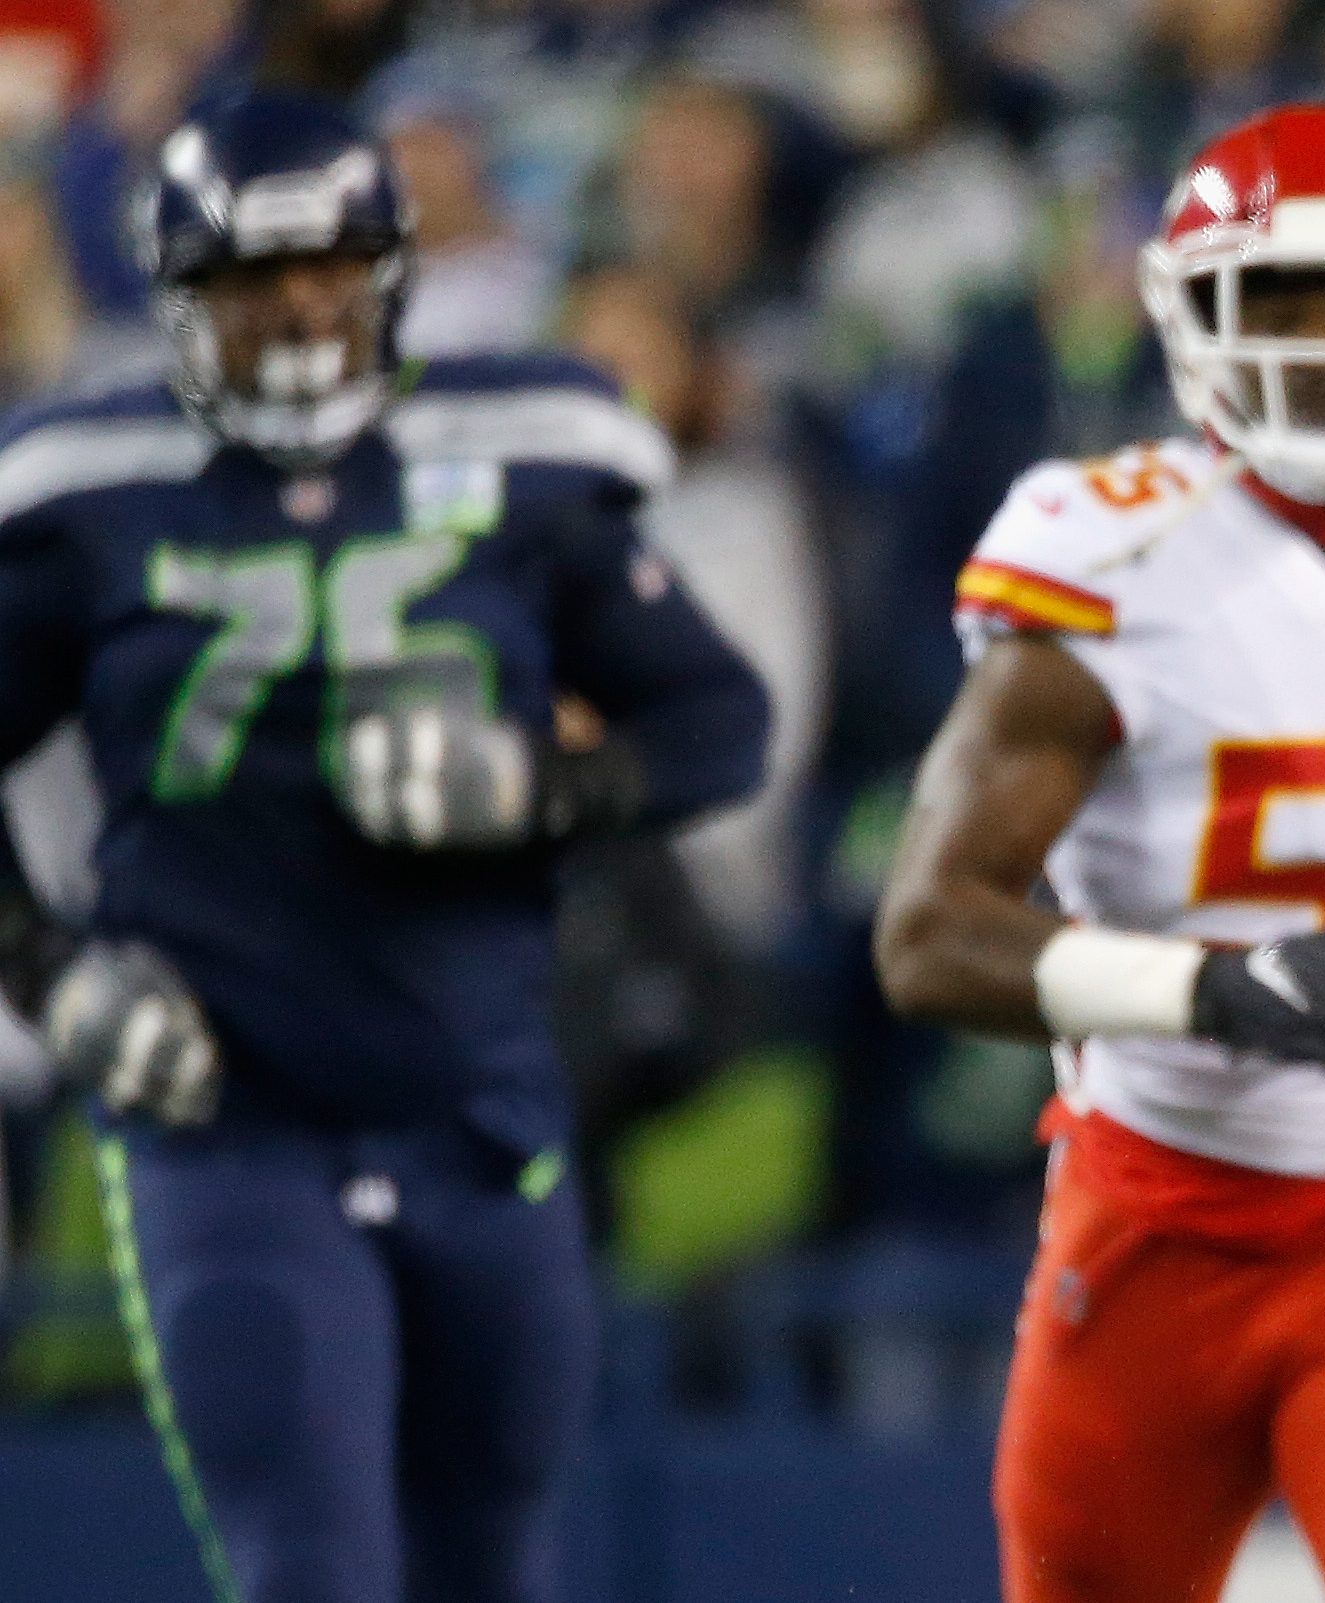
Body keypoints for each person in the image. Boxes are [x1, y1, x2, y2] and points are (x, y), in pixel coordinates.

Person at [0, 92, 770, 1601]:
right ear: (174, 300)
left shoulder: (528, 448)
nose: (296, 313)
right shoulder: (88, 487)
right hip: (229, 1119)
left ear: (395, 271)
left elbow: (716, 721)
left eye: (329, 270)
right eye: (247, 281)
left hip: (479, 1106)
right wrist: (49, 971)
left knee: (493, 1566)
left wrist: (540, 790)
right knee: (316, 1570)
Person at [870, 104, 1325, 1603]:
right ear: (1191, 317)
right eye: (1282, 306)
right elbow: (927, 933)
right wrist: (1204, 991)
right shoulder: (1107, 557)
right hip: (1153, 1223)